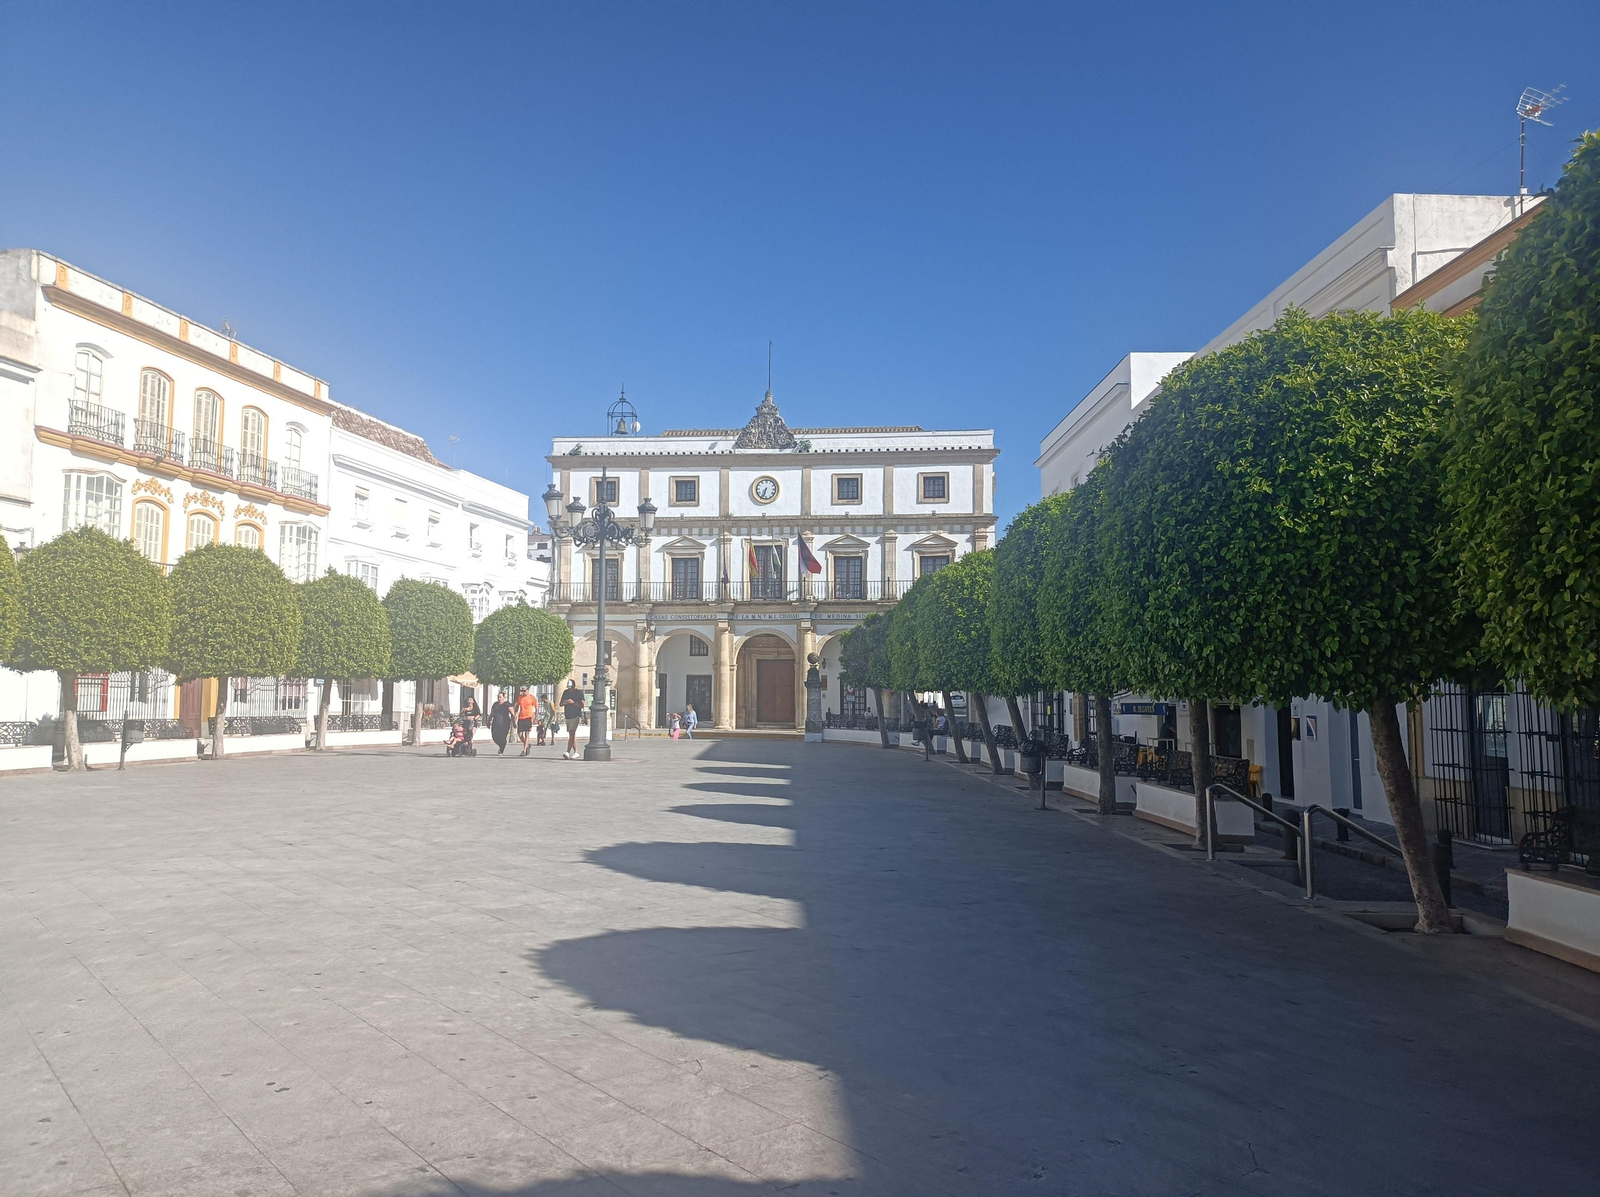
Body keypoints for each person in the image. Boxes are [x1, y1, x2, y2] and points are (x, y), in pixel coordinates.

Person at [560, 679, 586, 759]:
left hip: (576, 715)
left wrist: (573, 703)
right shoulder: (566, 692)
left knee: (572, 732)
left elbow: (582, 705)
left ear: (574, 686)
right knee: (572, 735)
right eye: (569, 687)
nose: (570, 689)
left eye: (571, 687)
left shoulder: (579, 693)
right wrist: (565, 702)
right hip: (568, 716)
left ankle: (567, 751)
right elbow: (560, 703)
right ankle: (576, 752)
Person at [514, 686, 538, 756]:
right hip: (521, 717)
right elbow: (517, 706)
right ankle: (527, 744)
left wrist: (535, 717)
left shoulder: (532, 698)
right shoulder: (520, 697)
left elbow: (536, 707)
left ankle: (524, 750)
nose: (523, 692)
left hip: (528, 717)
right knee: (520, 734)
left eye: (524, 691)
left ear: (528, 690)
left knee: (527, 734)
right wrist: (515, 714)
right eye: (522, 691)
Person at [488, 690, 513, 755]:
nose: (499, 699)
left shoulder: (507, 704)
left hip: (505, 723)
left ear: (503, 697)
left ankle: (501, 749)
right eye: (498, 697)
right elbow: (492, 714)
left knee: (503, 737)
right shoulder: (495, 704)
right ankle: (501, 746)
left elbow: (513, 713)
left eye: (500, 697)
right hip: (495, 723)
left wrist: (514, 722)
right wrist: (488, 721)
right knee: (495, 737)